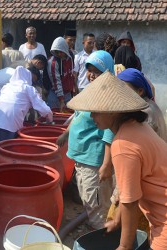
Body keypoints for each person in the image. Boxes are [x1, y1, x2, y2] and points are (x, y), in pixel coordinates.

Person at [67, 71, 167, 250]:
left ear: (112, 111)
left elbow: (130, 202)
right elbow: (128, 191)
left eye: (95, 111)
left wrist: (124, 246)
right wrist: (118, 219)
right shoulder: (138, 127)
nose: (91, 117)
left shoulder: (123, 145)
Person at [57, 50, 114, 230]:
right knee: (89, 201)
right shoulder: (90, 91)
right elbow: (78, 115)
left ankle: (102, 237)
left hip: (94, 161)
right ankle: (97, 230)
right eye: (88, 69)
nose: (91, 74)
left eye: (96, 71)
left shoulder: (107, 96)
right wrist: (66, 134)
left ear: (107, 72)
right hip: (82, 159)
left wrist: (106, 164)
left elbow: (109, 133)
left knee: (97, 204)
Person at [0, 65, 53, 161]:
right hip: (10, 120)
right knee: (6, 150)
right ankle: (4, 169)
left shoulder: (7, 86)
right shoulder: (28, 88)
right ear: (28, 78)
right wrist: (50, 119)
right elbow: (43, 108)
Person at [47, 37, 75, 111]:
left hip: (68, 94)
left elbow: (71, 74)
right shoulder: (53, 63)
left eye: (61, 51)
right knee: (53, 118)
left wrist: (74, 87)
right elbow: (56, 83)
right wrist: (61, 100)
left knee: (67, 119)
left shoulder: (71, 57)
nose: (59, 54)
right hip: (55, 95)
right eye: (57, 52)